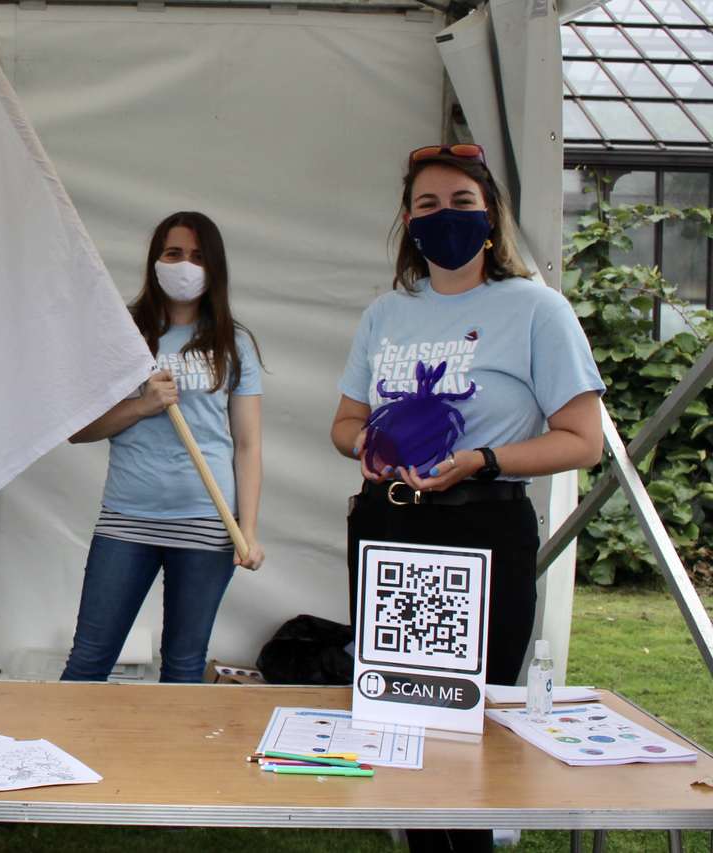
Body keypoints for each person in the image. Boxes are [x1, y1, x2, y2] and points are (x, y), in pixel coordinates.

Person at [330, 143, 604, 853]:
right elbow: (345, 424)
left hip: (483, 526)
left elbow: (581, 439)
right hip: (389, 525)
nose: (443, 217)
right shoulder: (386, 313)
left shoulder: (537, 309)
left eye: (461, 204)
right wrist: (373, 447)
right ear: (407, 221)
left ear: (491, 217)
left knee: (470, 725)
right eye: (427, 205)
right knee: (403, 720)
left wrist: (482, 460)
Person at [61, 211, 265, 684]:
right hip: (126, 518)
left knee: (184, 667)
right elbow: (79, 429)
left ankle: (176, 761)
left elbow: (249, 445)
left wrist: (248, 530)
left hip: (207, 522)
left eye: (197, 256)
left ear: (214, 268)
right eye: (173, 253)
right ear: (155, 261)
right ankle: (59, 757)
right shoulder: (124, 334)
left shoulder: (233, 344)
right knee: (89, 660)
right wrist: (142, 405)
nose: (185, 265)